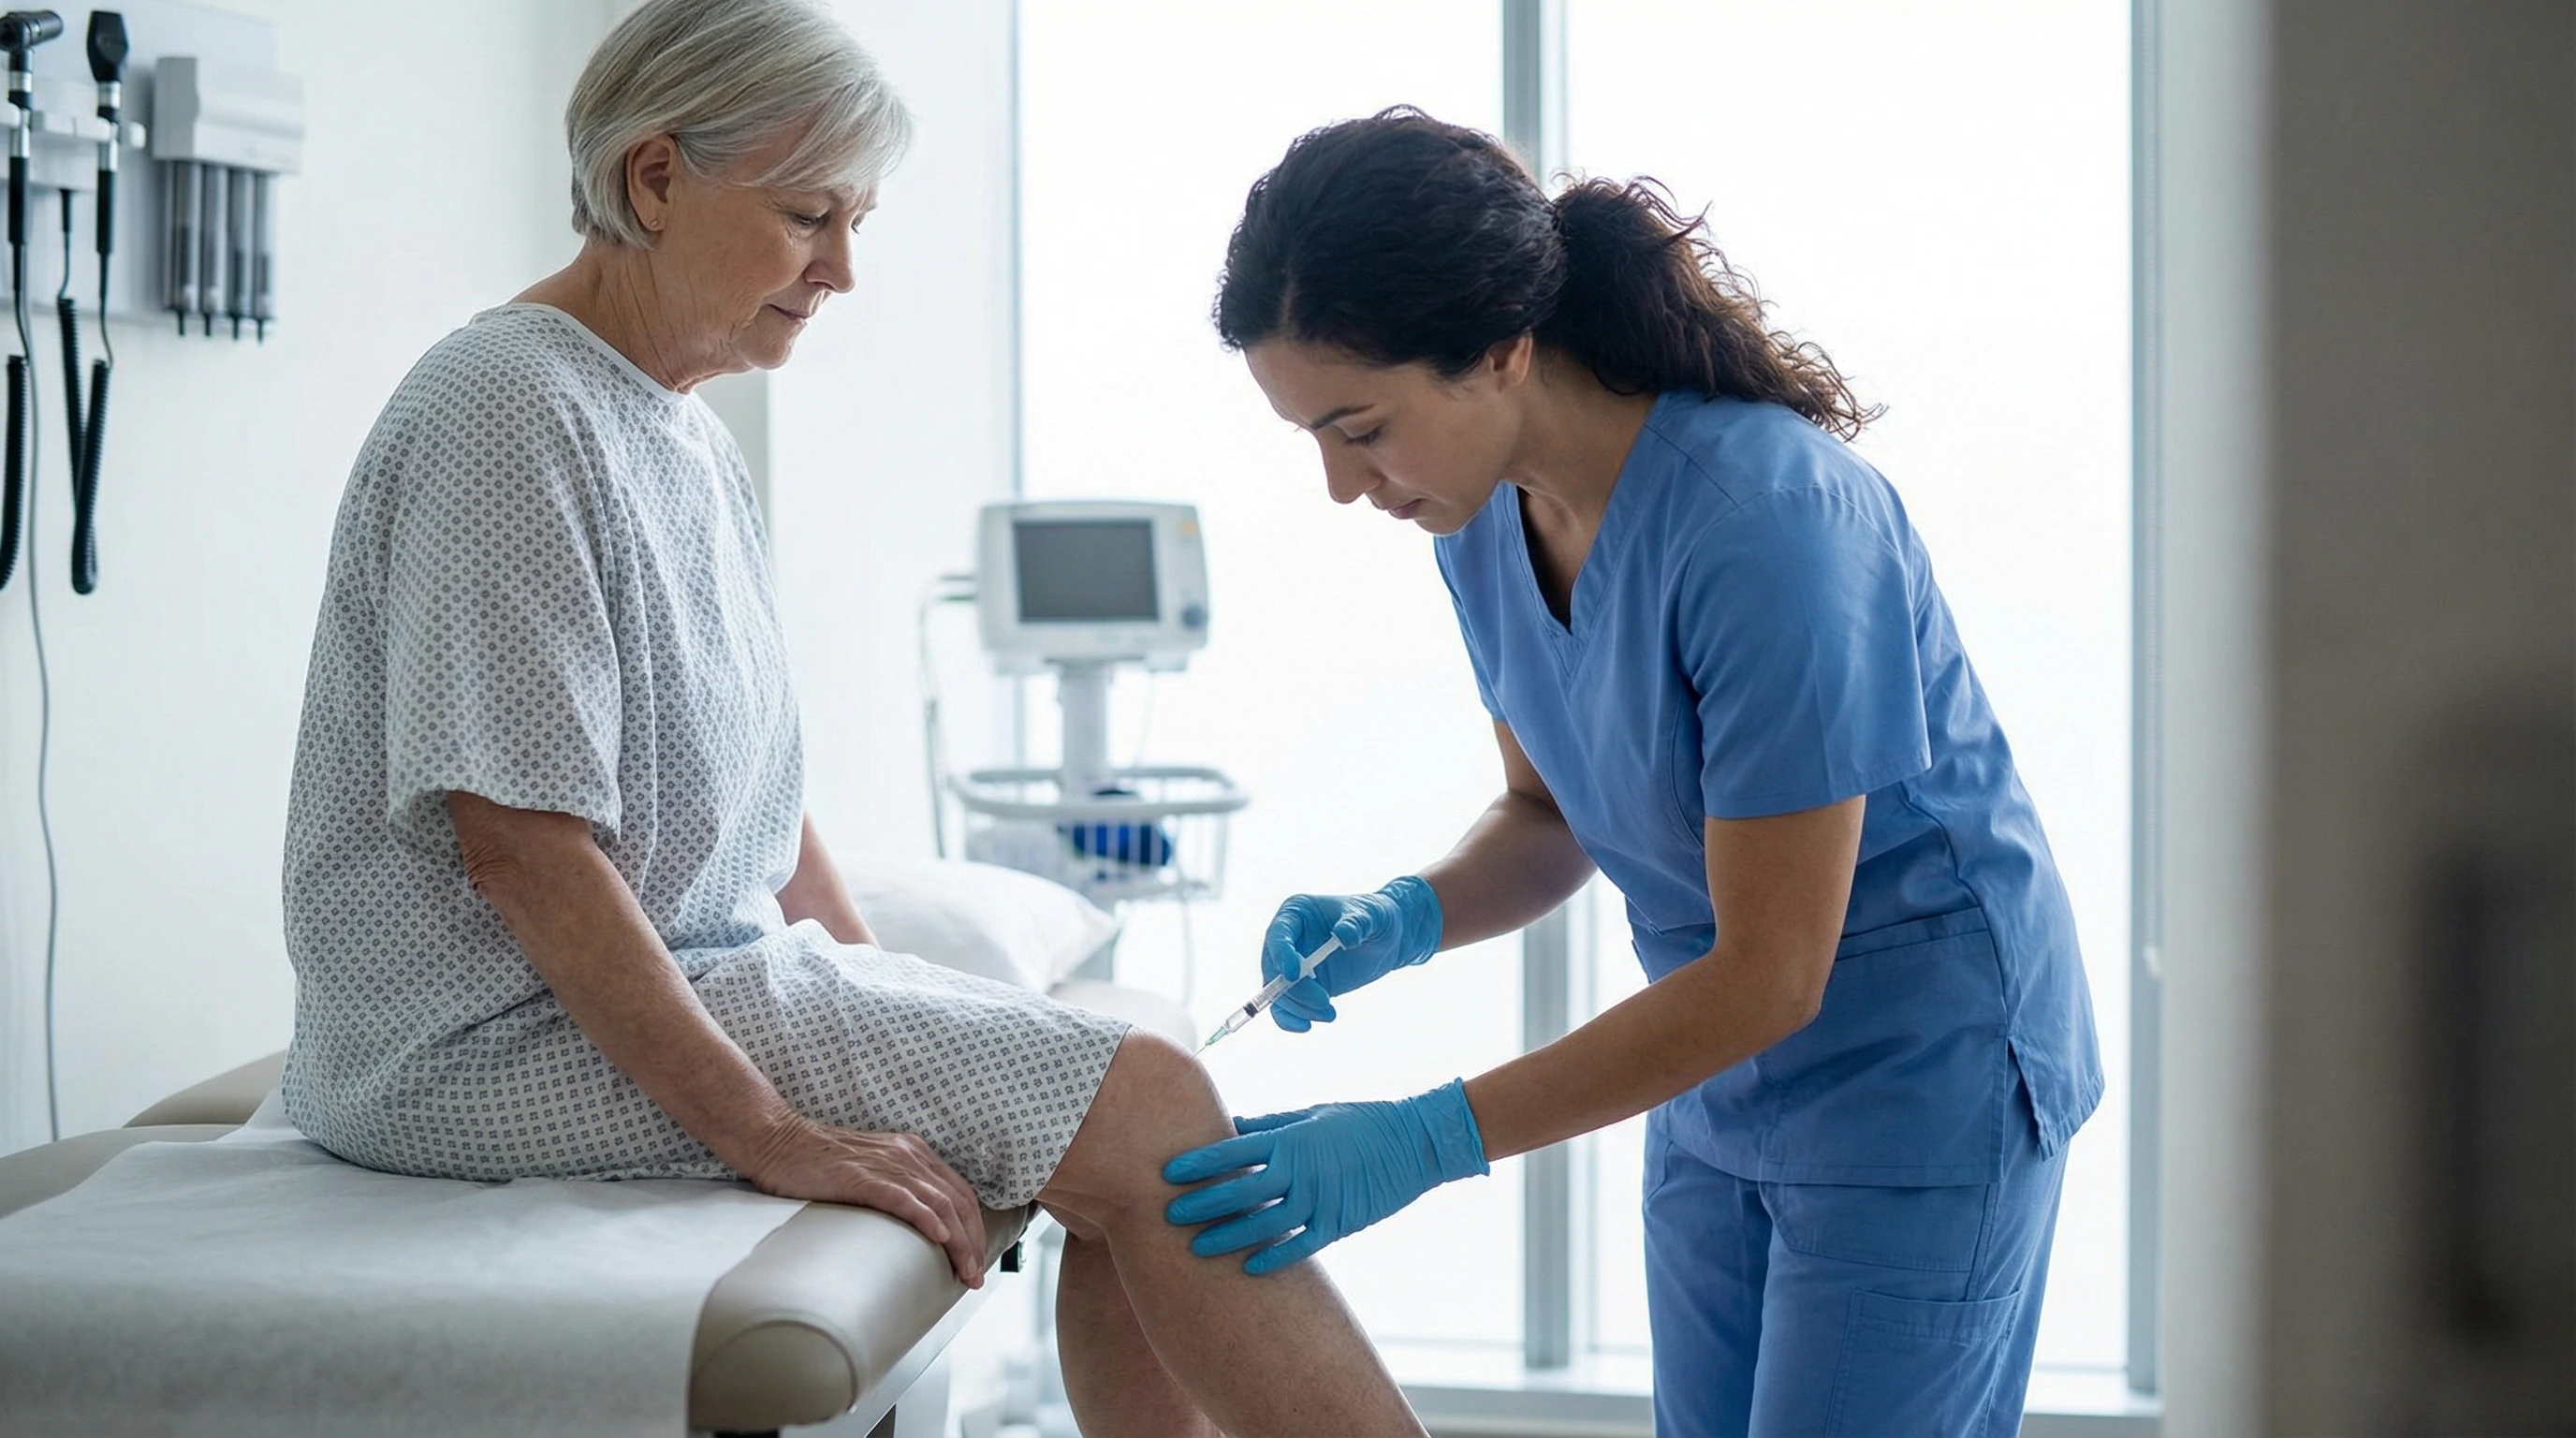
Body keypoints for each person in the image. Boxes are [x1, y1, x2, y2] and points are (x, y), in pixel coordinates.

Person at [277, 4, 1423, 1432]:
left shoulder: (681, 433)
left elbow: (761, 804)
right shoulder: (509, 408)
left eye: (857, 219)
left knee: (1131, 1109)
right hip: (474, 1048)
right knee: (1149, 1105)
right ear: (652, 180)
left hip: (662, 987)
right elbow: (522, 849)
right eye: (810, 215)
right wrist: (773, 1131)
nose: (843, 270)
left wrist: (918, 1014)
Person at [1163, 109, 2102, 1438]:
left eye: (1360, 427)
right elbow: (1552, 813)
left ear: (1501, 350)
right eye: (1311, 435)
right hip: (1718, 1072)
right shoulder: (1481, 517)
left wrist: (1422, 1138)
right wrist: (1408, 916)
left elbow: (1777, 970)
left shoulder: (1768, 528)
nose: (1337, 484)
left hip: (1920, 1079)